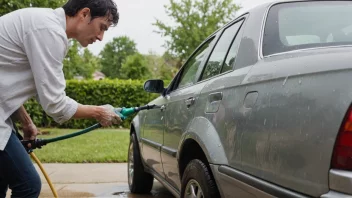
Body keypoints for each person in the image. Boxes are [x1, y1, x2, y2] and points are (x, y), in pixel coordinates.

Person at [0, 0, 121, 197]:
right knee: (28, 184)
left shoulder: (44, 24)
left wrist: (26, 122)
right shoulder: (49, 31)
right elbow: (55, 104)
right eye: (102, 27)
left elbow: (4, 86)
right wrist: (99, 112)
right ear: (84, 14)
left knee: (4, 179)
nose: (100, 37)